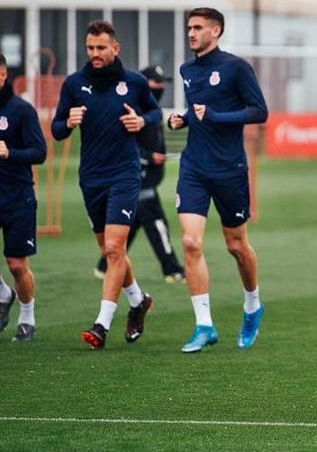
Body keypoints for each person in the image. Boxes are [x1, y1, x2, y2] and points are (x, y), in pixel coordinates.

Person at [52, 20, 160, 349]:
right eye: (90, 48)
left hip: (124, 174)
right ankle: (138, 300)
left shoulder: (135, 83)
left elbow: (154, 114)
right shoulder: (74, 84)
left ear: (115, 48)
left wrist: (141, 120)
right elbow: (57, 129)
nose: (95, 54)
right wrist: (67, 122)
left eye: (101, 48)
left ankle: (102, 324)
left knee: (115, 248)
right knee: (108, 248)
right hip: (91, 177)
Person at [168, 7, 268, 352]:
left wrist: (215, 116)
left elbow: (259, 111)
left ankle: (253, 305)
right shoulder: (186, 70)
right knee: (191, 243)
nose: (191, 33)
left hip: (229, 169)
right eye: (189, 28)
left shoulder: (236, 67)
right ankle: (204, 325)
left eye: (198, 28)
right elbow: (197, 109)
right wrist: (181, 119)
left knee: (236, 246)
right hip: (193, 167)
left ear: (216, 30)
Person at [94, 65, 185, 284]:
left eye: (163, 82)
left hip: (146, 177)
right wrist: (148, 157)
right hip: (137, 178)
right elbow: (121, 142)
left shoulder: (152, 108)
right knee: (157, 223)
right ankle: (172, 270)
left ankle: (104, 265)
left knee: (132, 223)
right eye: (156, 82)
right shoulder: (132, 108)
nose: (161, 87)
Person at [0, 53, 46, 342]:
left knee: (16, 264)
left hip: (17, 196)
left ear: (3, 75)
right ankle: (3, 294)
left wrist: (9, 153)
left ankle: (27, 316)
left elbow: (39, 152)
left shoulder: (21, 110)